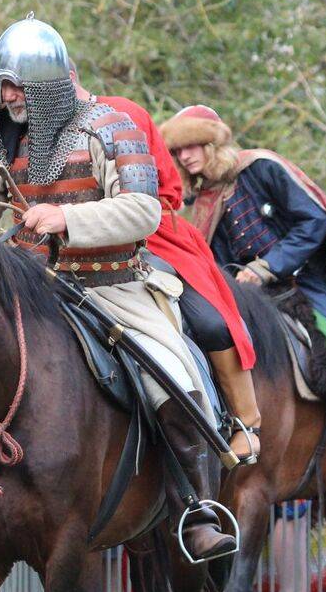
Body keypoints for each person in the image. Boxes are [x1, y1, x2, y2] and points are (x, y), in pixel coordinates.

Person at [0, 16, 236, 562]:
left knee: (173, 378)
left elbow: (143, 209)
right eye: (2, 85)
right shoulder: (0, 143)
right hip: (30, 297)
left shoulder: (113, 128)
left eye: (17, 85)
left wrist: (66, 219)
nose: (7, 96)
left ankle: (195, 510)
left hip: (114, 286)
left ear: (51, 82)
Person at [160, 104, 326, 521]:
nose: (185, 157)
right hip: (246, 305)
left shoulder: (263, 168)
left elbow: (313, 221)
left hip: (301, 289)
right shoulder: (201, 203)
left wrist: (269, 266)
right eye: (178, 151)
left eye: (192, 146)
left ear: (213, 143)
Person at [71, 62, 261, 465]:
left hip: (152, 236)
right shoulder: (29, 133)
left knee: (211, 322)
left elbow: (164, 191)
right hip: (67, 250)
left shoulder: (123, 113)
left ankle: (246, 422)